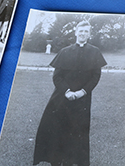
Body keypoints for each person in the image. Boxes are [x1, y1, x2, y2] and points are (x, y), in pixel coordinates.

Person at [33, 21, 107, 166]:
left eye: (86, 31)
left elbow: (95, 77)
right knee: (56, 128)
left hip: (82, 100)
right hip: (61, 97)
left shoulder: (95, 52)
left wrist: (82, 92)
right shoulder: (65, 51)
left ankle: (71, 161)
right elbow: (57, 77)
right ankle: (55, 160)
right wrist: (67, 91)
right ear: (75, 32)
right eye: (81, 31)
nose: (83, 34)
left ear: (89, 34)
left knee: (77, 131)